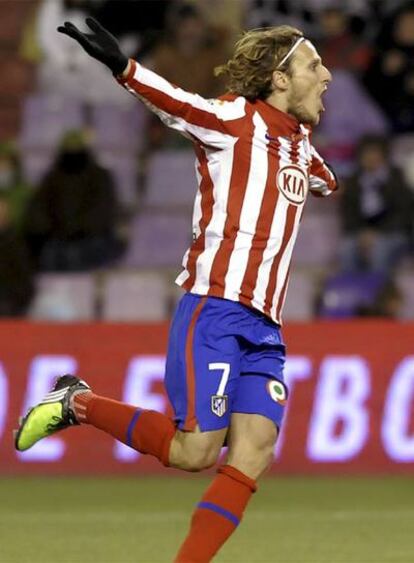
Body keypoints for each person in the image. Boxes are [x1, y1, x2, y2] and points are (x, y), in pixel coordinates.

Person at [14, 18, 337, 562]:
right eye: (313, 66)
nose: (326, 75)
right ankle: (79, 402)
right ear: (279, 80)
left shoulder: (302, 147)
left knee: (255, 451)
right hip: (216, 310)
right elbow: (179, 103)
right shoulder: (234, 119)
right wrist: (123, 67)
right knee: (195, 453)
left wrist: (319, 176)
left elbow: (324, 179)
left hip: (266, 327)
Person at [23, 129, 123, 272]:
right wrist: (48, 232)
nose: (72, 155)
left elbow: (103, 210)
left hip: (91, 238)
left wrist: (80, 230)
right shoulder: (52, 178)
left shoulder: (100, 177)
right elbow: (39, 210)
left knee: (80, 255)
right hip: (57, 239)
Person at [339, 134, 413, 274]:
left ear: (384, 156)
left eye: (375, 153)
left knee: (380, 249)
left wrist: (378, 234)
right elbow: (348, 214)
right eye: (366, 153)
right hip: (361, 233)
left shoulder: (396, 178)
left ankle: (377, 291)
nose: (371, 157)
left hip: (394, 233)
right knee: (347, 248)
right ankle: (350, 291)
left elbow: (404, 213)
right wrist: (362, 233)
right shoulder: (354, 181)